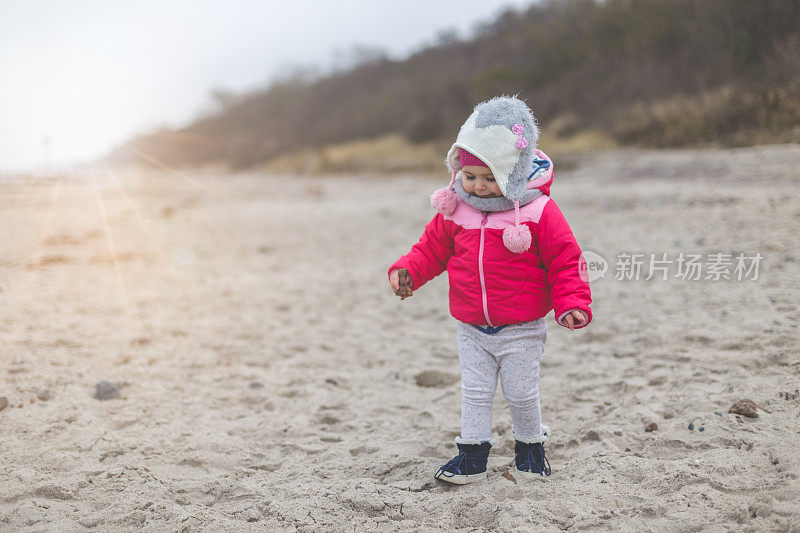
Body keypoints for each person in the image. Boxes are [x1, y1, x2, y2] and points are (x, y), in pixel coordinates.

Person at [387, 96, 592, 484]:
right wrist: (408, 272)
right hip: (471, 326)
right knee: (475, 392)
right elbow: (430, 249)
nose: (478, 187)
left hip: (521, 327)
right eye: (470, 177)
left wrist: (572, 303)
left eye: (490, 177)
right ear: (457, 171)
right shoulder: (454, 210)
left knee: (520, 393)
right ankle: (473, 457)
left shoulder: (537, 211)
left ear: (512, 172)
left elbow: (566, 260)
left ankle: (531, 451)